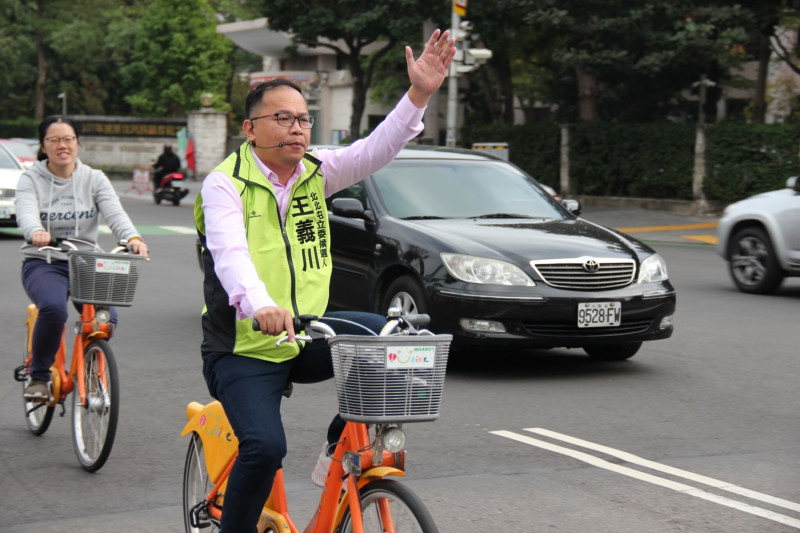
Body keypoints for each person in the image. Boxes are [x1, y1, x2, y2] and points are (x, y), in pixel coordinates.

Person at [194, 28, 455, 532]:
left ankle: (339, 445)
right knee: (266, 447)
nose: (297, 127)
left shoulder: (317, 170)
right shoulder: (223, 184)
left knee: (390, 339)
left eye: (303, 118)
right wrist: (258, 304)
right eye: (283, 118)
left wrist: (418, 93)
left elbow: (376, 149)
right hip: (244, 345)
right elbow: (230, 255)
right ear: (251, 129)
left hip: (307, 331)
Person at [15, 115, 150, 400]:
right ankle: (38, 377)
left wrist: (133, 238)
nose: (62, 145)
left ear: (77, 143)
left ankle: (90, 364)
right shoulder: (30, 178)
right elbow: (26, 211)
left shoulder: (94, 178)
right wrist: (36, 230)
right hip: (44, 260)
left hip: (86, 261)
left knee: (104, 321)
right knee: (53, 308)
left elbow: (115, 213)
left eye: (68, 139)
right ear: (43, 146)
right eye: (54, 140)